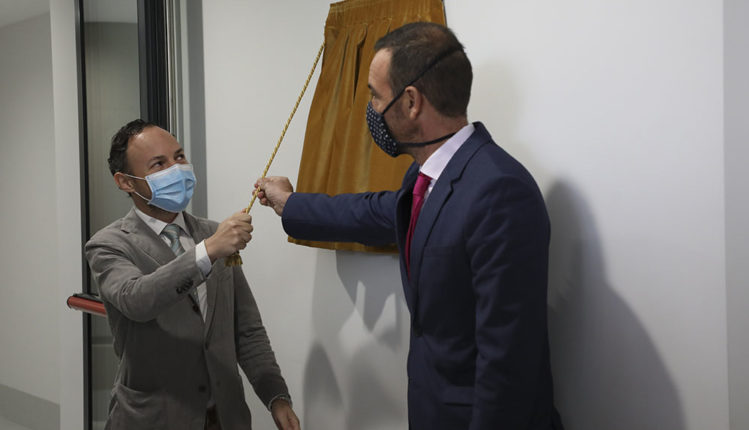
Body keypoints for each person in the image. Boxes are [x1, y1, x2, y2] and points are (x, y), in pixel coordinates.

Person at [255, 22, 564, 430]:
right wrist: (290, 204)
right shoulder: (429, 177)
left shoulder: (500, 191)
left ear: (412, 101)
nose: (371, 109)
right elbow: (372, 212)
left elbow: (507, 366)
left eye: (375, 95)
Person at [85, 119, 300, 430]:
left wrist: (275, 396)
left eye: (179, 157)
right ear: (125, 182)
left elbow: (247, 329)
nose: (177, 169)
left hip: (225, 418)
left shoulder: (212, 233)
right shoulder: (109, 244)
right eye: (159, 164)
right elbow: (137, 300)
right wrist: (208, 251)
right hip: (153, 419)